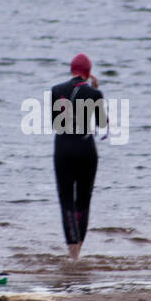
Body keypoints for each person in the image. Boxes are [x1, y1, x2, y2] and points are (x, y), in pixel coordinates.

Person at [52, 53, 106, 260]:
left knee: (66, 201)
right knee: (84, 202)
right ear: (88, 72)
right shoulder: (95, 93)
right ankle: (79, 252)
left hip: (64, 149)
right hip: (86, 149)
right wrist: (95, 91)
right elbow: (102, 125)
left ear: (71, 69)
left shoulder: (56, 90)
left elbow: (56, 123)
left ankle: (72, 254)